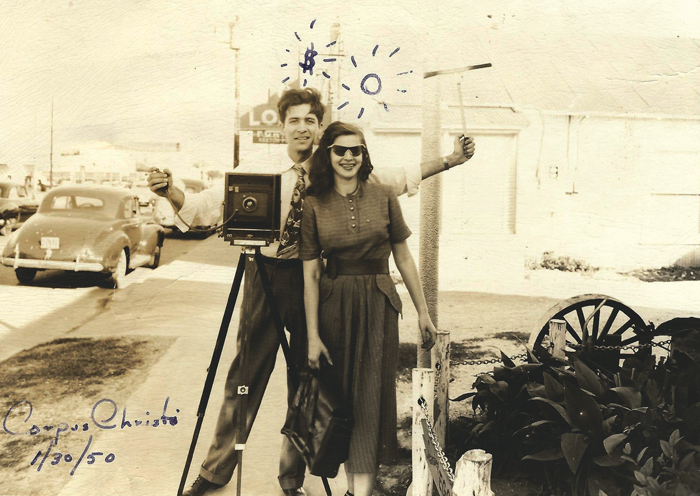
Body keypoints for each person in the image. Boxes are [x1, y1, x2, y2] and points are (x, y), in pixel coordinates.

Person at [148, 88, 475, 496]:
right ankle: (215, 472)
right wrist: (169, 192)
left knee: (307, 382)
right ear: (282, 126)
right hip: (264, 278)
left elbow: (397, 176)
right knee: (244, 379)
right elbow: (203, 207)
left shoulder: (334, 165)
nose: (302, 127)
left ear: (319, 126)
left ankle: (291, 480)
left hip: (313, 284)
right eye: (294, 120)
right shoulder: (259, 167)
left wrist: (449, 160)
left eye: (310, 120)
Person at [299, 122, 437, 496]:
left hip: (378, 303)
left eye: (355, 150)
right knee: (343, 399)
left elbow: (404, 258)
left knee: (372, 395)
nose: (348, 157)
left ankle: (361, 492)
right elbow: (310, 274)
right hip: (334, 306)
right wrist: (312, 336)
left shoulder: (385, 196)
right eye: (340, 150)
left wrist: (423, 313)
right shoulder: (313, 204)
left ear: (364, 155)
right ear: (328, 155)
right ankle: (353, 488)